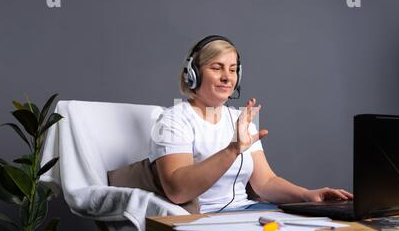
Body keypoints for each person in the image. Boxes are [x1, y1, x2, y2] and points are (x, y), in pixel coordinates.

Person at [148, 35, 353, 213]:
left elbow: (265, 183)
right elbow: (177, 191)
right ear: (193, 74)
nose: (227, 77)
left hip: (246, 211)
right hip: (203, 218)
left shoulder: (241, 119)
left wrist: (307, 195)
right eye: (217, 68)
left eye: (233, 69)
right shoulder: (173, 120)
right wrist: (233, 149)